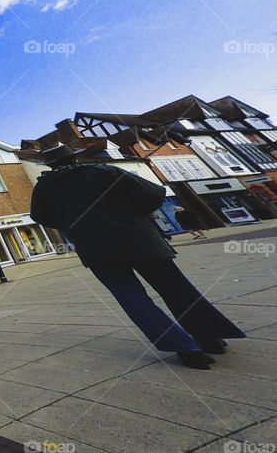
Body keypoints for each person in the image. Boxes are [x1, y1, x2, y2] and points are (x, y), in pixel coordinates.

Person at [29, 144, 246, 370]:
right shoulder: (103, 171)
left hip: (97, 251)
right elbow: (152, 193)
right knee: (177, 289)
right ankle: (209, 337)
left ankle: (185, 349)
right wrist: (135, 214)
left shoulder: (44, 188)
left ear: (50, 166)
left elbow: (42, 217)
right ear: (73, 159)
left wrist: (75, 225)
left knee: (133, 299)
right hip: (140, 240)